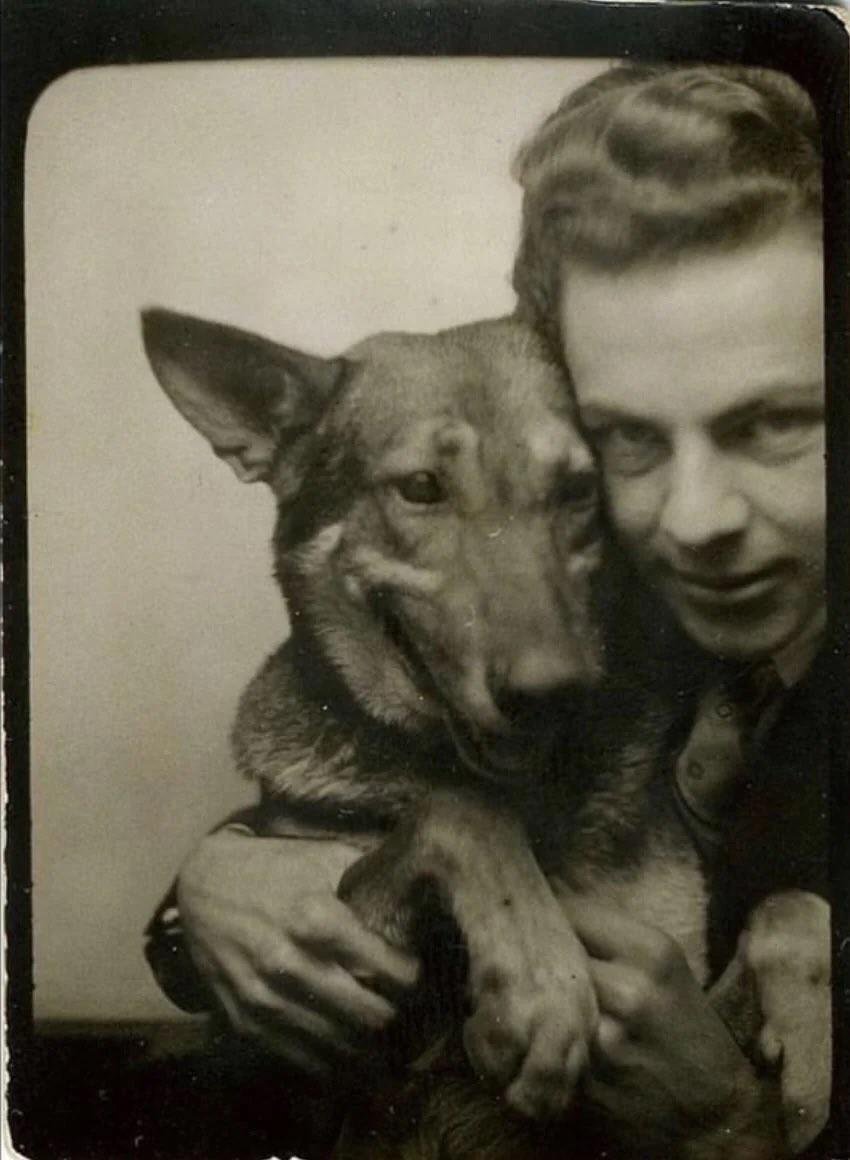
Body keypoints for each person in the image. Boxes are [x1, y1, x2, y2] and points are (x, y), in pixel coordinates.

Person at [145, 64, 831, 1158]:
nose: (697, 517)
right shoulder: (662, 612)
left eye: (775, 421)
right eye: (633, 440)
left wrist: (727, 1123)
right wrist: (207, 887)